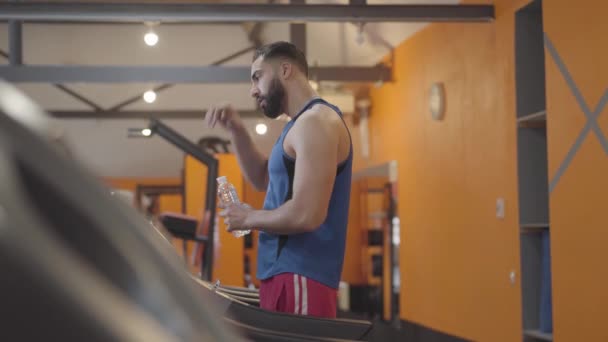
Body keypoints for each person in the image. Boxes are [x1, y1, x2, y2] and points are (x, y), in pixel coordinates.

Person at [204, 41, 352, 319]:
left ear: (285, 70)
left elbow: (307, 214)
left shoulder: (316, 122)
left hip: (302, 272)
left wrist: (249, 218)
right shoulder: (296, 126)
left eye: (258, 76)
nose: (253, 90)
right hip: (283, 272)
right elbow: (262, 178)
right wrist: (236, 131)